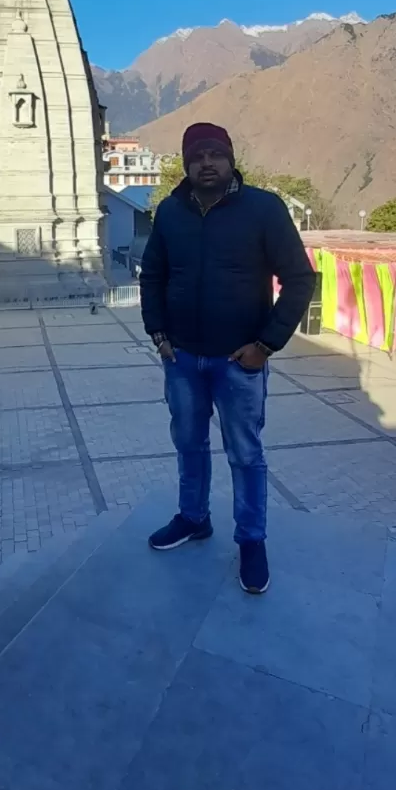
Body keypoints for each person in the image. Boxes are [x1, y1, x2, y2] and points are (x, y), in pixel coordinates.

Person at [140, 123, 316, 593]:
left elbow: (300, 279)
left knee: (244, 453)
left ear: (231, 159)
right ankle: (194, 518)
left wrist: (266, 345)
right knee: (189, 444)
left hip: (239, 362)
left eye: (216, 153)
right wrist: (157, 333)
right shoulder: (171, 213)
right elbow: (152, 274)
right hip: (182, 359)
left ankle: (251, 542)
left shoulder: (262, 209)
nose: (207, 163)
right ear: (186, 163)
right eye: (197, 156)